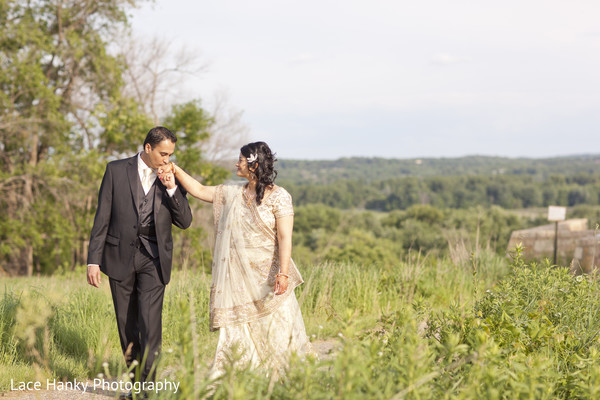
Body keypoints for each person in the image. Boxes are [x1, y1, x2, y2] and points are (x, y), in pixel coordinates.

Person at [158, 141, 313, 378]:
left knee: (277, 330)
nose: (236, 163)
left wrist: (283, 273)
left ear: (254, 165)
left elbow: (284, 237)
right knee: (237, 332)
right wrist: (175, 169)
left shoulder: (280, 196)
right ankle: (236, 380)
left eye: (240, 160)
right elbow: (199, 190)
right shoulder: (233, 194)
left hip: (268, 280)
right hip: (238, 281)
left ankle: (285, 379)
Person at [87, 126, 192, 397]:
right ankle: (137, 386)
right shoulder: (115, 170)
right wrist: (93, 261)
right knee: (127, 326)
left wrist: (171, 189)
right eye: (163, 153)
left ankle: (147, 391)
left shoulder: (173, 177)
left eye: (170, 154)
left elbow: (185, 221)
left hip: (154, 259)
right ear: (148, 148)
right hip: (118, 256)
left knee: (150, 325)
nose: (167, 159)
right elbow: (102, 218)